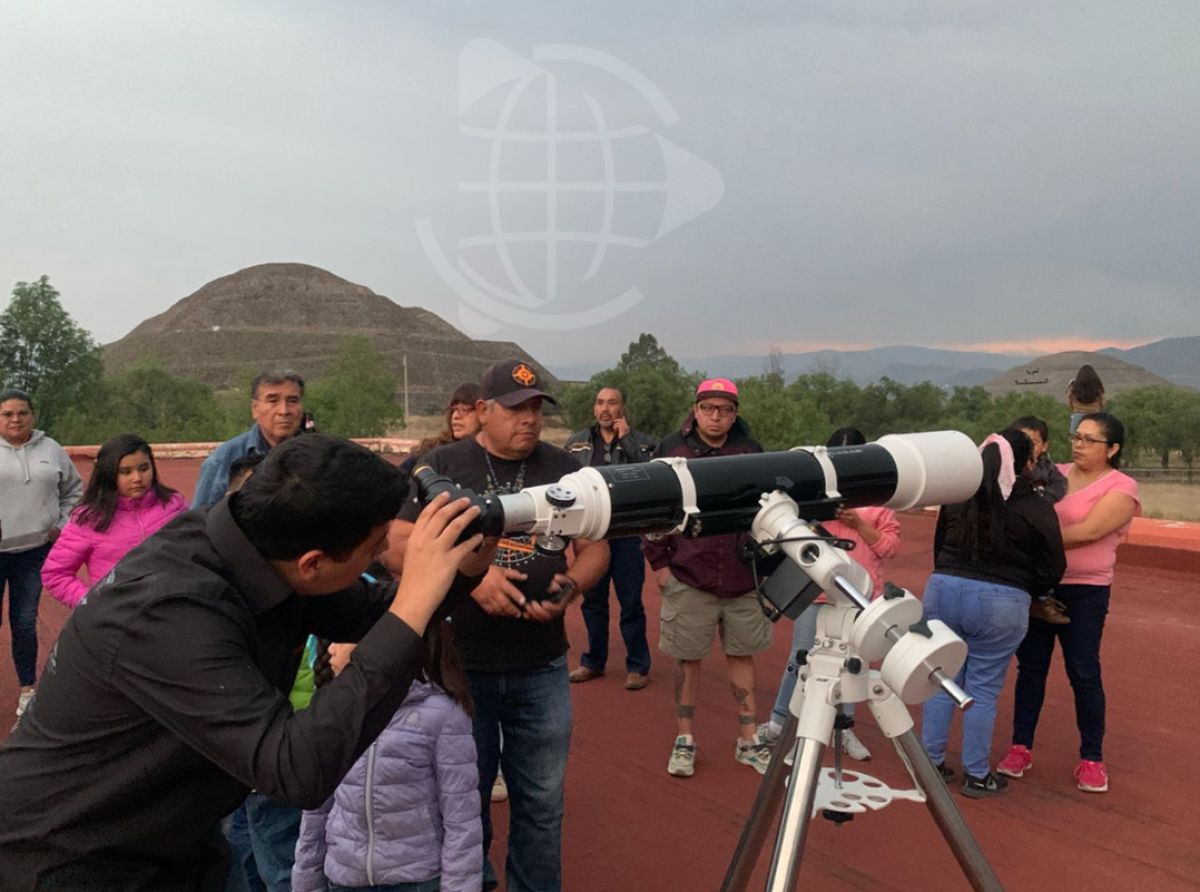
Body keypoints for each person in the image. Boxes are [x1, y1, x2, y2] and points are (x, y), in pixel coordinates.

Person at [0, 434, 497, 891]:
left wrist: (463, 568)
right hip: (71, 859)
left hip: (173, 840)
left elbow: (367, 613)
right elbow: (295, 768)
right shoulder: (169, 610)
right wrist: (414, 600)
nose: (386, 550)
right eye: (374, 546)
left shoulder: (253, 544)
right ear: (313, 562)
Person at [392, 359, 610, 892]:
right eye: (516, 409)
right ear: (483, 412)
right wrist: (473, 577)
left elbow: (596, 547)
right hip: (463, 667)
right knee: (463, 802)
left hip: (542, 664)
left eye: (536, 408)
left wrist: (572, 586)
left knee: (542, 802)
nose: (529, 420)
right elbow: (396, 546)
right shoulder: (441, 464)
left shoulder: (566, 470)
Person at [997, 413, 1139, 795]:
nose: (1079, 444)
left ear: (1112, 449)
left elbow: (1090, 531)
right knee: (1030, 670)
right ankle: (1020, 748)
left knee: (1083, 671)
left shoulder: (1122, 488)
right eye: (1077, 436)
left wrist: (1030, 536)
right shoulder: (1051, 474)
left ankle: (1092, 758)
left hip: (1085, 592)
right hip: (1038, 586)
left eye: (1090, 440)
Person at [920, 430, 1066, 799]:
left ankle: (929, 763)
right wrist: (1033, 591)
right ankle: (977, 774)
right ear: (1026, 464)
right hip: (1002, 600)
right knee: (982, 689)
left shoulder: (958, 498)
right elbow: (1053, 565)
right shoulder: (1035, 506)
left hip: (944, 589)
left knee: (942, 678)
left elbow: (939, 546)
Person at [642, 378, 773, 779]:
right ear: (696, 409)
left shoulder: (750, 451)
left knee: (742, 654)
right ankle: (685, 739)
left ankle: (748, 740)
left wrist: (763, 564)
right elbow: (652, 509)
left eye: (725, 409)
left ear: (735, 414)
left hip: (740, 574)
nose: (716, 416)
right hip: (689, 573)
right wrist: (660, 565)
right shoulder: (671, 450)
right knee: (688, 658)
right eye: (709, 408)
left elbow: (767, 508)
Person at [292, 620, 483, 892]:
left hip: (415, 879)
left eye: (341, 640)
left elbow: (461, 816)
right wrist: (307, 882)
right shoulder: (330, 712)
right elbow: (315, 811)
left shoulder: (441, 715)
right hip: (346, 878)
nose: (330, 650)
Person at [759, 428, 900, 762]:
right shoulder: (816, 496)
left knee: (852, 666)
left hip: (860, 598)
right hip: (818, 595)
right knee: (801, 660)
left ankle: (843, 730)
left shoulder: (879, 503)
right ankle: (782, 723)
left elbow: (889, 547)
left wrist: (858, 524)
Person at [563, 386, 657, 691]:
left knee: (631, 602)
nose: (606, 409)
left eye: (612, 403)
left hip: (627, 532)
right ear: (594, 408)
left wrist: (626, 440)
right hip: (591, 535)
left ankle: (638, 666)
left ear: (622, 408)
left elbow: (649, 478)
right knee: (593, 601)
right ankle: (593, 661)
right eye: (601, 403)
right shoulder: (576, 443)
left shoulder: (642, 444)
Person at [0, 388, 83, 717]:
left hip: (33, 553)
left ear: (32, 415)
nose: (15, 419)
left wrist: (61, 524)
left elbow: (74, 490)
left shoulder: (52, 450)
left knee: (23, 622)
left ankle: (26, 689)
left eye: (22, 413)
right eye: (7, 414)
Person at [42, 434, 189, 609]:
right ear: (109, 474)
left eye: (143, 468)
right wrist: (93, 604)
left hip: (173, 613)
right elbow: (55, 573)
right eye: (125, 472)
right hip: (118, 623)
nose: (137, 478)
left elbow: (196, 554)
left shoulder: (174, 505)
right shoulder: (90, 518)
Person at [193, 369, 306, 507]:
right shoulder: (222, 460)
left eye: (292, 401)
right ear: (255, 409)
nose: (284, 411)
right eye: (273, 401)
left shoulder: (320, 456)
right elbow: (198, 522)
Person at [1010, 416, 1071, 625]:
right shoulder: (1005, 467)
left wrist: (1043, 500)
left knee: (1044, 557)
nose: (1027, 447)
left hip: (1035, 518)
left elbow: (1060, 483)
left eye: (1033, 443)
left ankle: (1043, 599)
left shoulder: (1046, 468)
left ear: (1044, 446)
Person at [398, 383, 485, 484]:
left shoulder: (493, 455)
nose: (456, 416)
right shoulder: (432, 451)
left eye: (464, 410)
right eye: (453, 410)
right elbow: (397, 481)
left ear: (483, 412)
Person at [1066, 364, 1106, 435]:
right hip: (1095, 416)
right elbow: (1103, 403)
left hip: (1078, 416)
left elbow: (1069, 402)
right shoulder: (1098, 387)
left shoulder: (1074, 387)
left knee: (1075, 439)